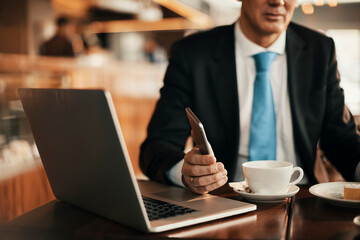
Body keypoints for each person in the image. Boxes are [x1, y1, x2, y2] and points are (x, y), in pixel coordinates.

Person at [140, 0, 360, 194]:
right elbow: (157, 146)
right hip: (224, 197)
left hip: (304, 198)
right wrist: (187, 173)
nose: (278, 2)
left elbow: (341, 139)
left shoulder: (320, 50)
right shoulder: (193, 54)